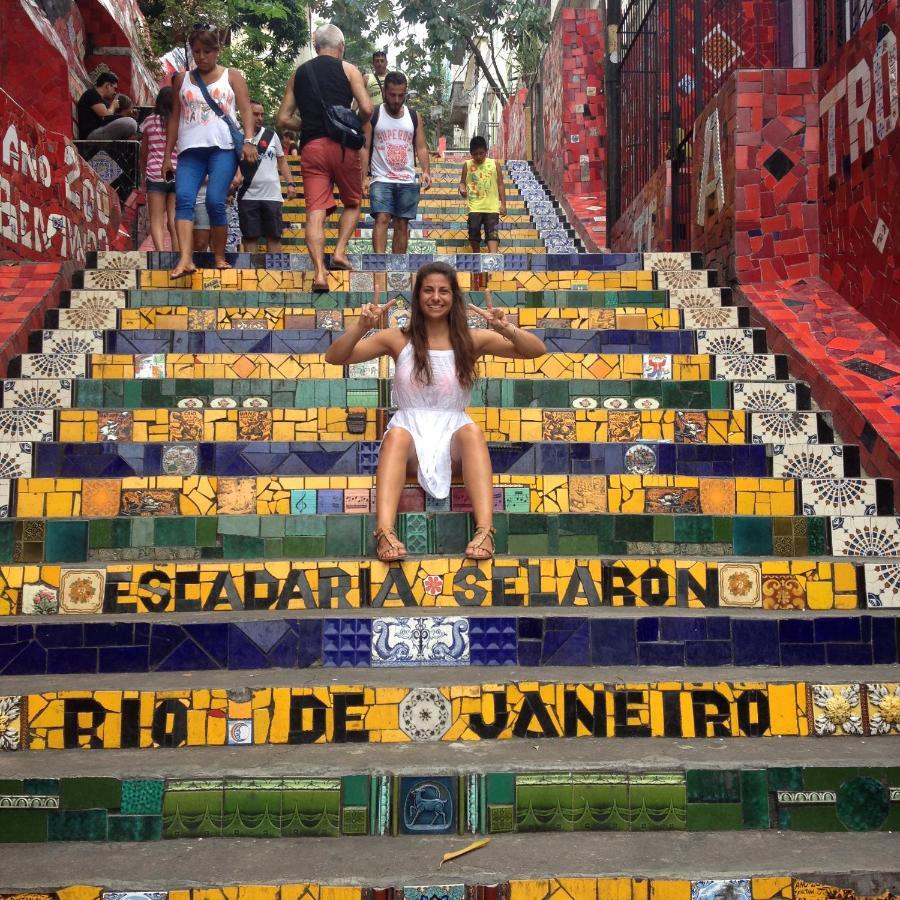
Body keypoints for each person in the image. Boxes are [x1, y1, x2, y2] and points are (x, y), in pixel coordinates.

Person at [324, 261, 545, 562]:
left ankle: (485, 530)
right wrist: (361, 327)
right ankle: (385, 532)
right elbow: (336, 357)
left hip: (453, 441)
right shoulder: (396, 338)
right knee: (396, 435)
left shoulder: (471, 339)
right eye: (428, 290)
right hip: (410, 440)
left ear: (454, 297)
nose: (436, 297)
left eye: (444, 291)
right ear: (417, 297)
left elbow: (535, 350)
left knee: (471, 432)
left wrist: (505, 327)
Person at [276, 24, 373, 292]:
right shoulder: (348, 69)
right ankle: (340, 252)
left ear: (316, 46)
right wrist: (352, 123)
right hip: (343, 147)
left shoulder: (299, 74)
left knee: (315, 212)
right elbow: (366, 108)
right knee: (353, 202)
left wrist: (307, 125)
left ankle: (319, 273)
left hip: (312, 148)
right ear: (341, 46)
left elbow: (282, 118)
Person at [161, 25, 258, 277]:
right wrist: (166, 157)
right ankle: (185, 259)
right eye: (196, 51)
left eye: (206, 51)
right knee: (183, 199)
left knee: (216, 201)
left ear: (217, 51)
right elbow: (174, 119)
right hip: (190, 151)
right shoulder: (182, 80)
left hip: (222, 148)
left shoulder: (232, 76)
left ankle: (219, 256)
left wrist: (249, 141)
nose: (201, 56)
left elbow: (246, 109)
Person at [362, 71, 431, 254]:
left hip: (407, 179)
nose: (396, 99)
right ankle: (379, 265)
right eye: (392, 95)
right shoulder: (374, 115)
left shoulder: (414, 116)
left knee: (402, 223)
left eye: (401, 95)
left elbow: (421, 147)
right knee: (382, 218)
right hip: (381, 178)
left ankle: (398, 267)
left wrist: (425, 171)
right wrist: (363, 177)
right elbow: (365, 147)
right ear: (385, 92)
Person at [233, 99, 295, 252]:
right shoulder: (237, 137)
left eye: (262, 114)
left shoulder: (271, 135)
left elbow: (282, 161)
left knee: (274, 236)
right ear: (246, 115)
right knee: (250, 237)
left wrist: (291, 183)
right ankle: (250, 272)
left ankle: (275, 273)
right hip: (247, 195)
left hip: (272, 196)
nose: (260, 118)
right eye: (255, 114)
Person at [139, 87, 178, 251]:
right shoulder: (180, 122)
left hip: (155, 174)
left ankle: (161, 254)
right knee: (174, 218)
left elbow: (144, 150)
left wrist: (142, 173)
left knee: (156, 219)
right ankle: (177, 253)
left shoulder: (149, 121)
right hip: (177, 173)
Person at [459, 135, 507, 254]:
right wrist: (462, 189)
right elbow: (462, 183)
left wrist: (503, 204)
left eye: (481, 153)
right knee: (473, 230)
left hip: (492, 207)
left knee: (492, 232)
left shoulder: (494, 164)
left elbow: (500, 184)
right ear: (471, 153)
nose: (478, 156)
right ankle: (476, 254)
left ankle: (493, 256)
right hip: (474, 206)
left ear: (486, 151)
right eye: (475, 154)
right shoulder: (467, 165)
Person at [77, 72, 138, 140]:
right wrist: (113, 106)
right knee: (130, 123)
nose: (115, 92)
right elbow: (106, 116)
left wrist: (127, 115)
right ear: (108, 85)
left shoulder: (102, 100)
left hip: (100, 131)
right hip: (91, 134)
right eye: (114, 88)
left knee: (131, 123)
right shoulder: (92, 94)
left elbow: (109, 119)